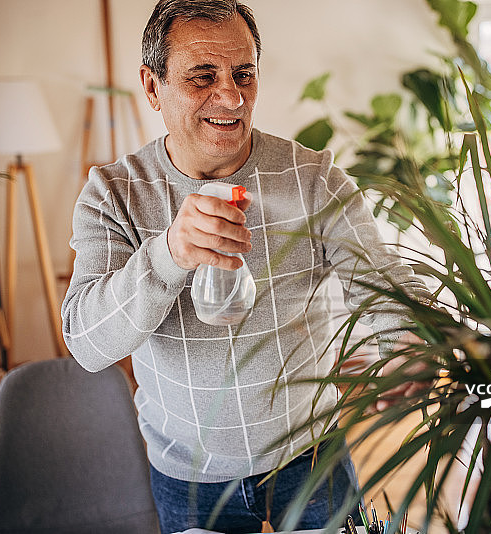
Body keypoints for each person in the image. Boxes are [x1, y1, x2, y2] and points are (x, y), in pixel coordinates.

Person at [62, 1, 431, 532]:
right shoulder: (112, 195)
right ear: (152, 85)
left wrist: (409, 344)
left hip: (309, 457)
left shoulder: (312, 177)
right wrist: (170, 253)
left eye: (244, 75)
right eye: (202, 77)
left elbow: (383, 280)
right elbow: (86, 344)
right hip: (188, 475)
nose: (231, 97)